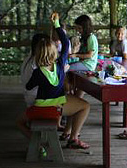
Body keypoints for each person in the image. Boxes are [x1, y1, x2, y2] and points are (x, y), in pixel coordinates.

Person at [26, 12, 91, 149]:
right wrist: (56, 24)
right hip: (55, 110)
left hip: (38, 109)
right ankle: (73, 138)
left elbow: (28, 86)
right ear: (55, 53)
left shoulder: (37, 72)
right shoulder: (61, 65)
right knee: (84, 106)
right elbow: (66, 42)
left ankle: (40, 143)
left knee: (19, 122)